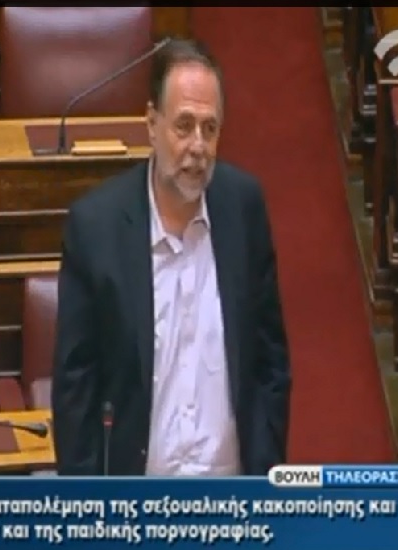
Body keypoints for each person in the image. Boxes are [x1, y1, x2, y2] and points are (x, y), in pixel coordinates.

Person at [51, 39, 291, 476]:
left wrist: (264, 472)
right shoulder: (97, 228)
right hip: (136, 499)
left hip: (231, 492)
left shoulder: (244, 208)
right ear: (151, 124)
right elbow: (75, 388)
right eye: (184, 126)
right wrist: (89, 505)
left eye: (210, 129)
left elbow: (270, 361)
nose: (198, 146)